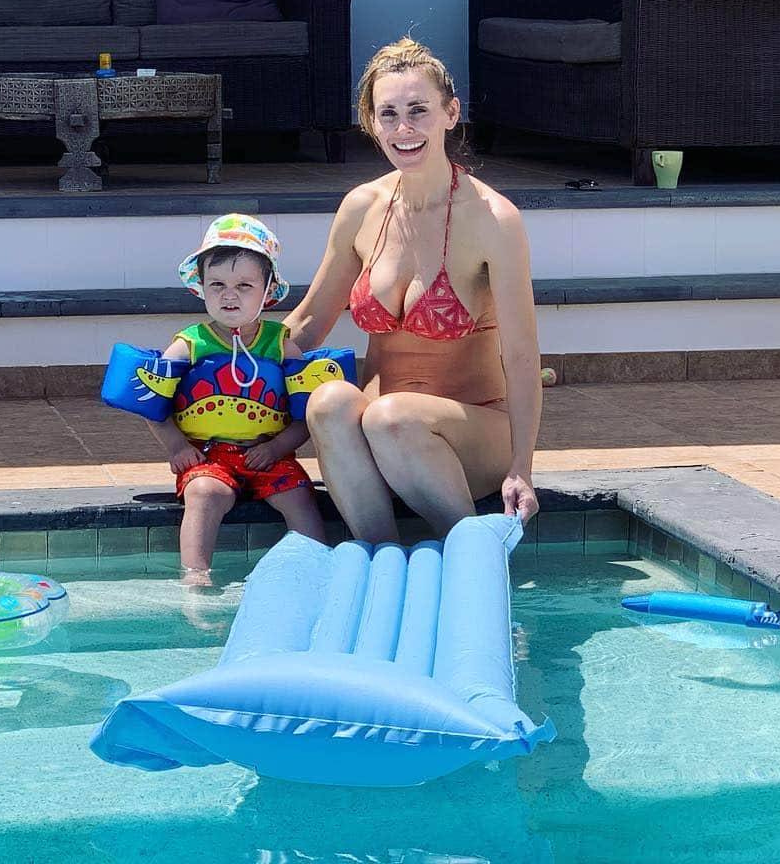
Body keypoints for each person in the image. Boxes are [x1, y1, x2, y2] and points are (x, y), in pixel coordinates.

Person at [284, 38, 541, 544]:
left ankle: (473, 555)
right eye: (389, 114)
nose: (404, 129)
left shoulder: (493, 219)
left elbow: (522, 353)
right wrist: (210, 350)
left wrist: (522, 468)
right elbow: (307, 324)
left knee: (390, 415)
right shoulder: (361, 207)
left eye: (419, 111)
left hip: (474, 433)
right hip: (382, 435)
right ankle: (380, 557)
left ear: (451, 113)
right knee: (331, 402)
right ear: (371, 123)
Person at [148, 214, 326, 583]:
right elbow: (151, 400)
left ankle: (316, 573)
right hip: (208, 454)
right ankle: (195, 578)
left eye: (244, 284)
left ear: (268, 290)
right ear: (201, 288)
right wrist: (177, 446)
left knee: (299, 496)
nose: (229, 294)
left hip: (269, 452)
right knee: (204, 494)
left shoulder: (280, 344)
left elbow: (306, 411)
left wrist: (279, 448)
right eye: (217, 284)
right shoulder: (189, 344)